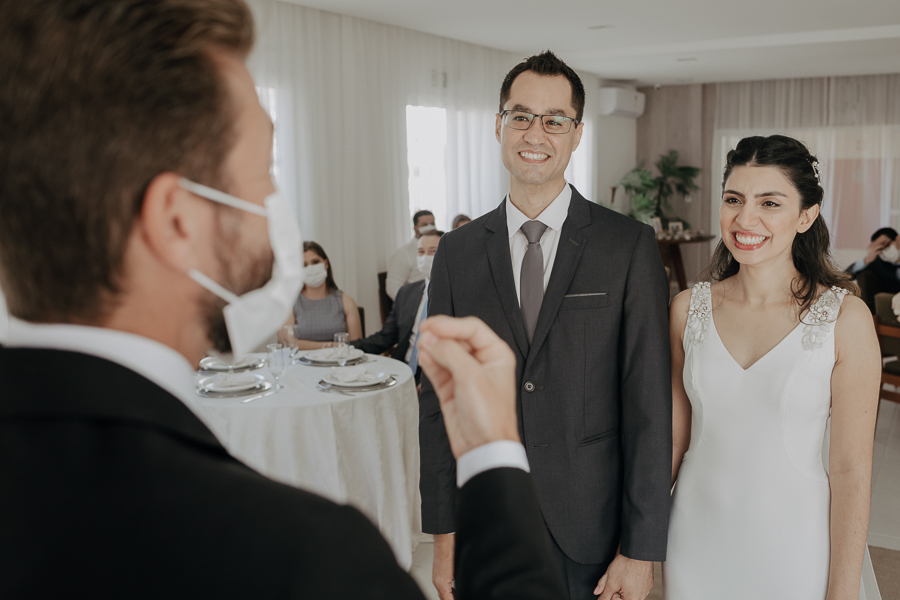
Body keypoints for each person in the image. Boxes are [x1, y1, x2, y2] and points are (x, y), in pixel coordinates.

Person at [0, 2, 569, 598]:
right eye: (262, 170)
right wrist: (492, 453)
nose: (276, 200)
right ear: (176, 221)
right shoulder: (302, 556)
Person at [419, 50, 672, 600]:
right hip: (488, 525)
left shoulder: (627, 246)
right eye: (522, 115)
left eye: (555, 119)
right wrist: (445, 535)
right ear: (498, 125)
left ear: (577, 133)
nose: (537, 132)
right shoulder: (457, 253)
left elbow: (649, 405)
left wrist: (642, 548)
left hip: (594, 531)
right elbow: (440, 402)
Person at [665, 135, 881, 599]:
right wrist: (633, 547)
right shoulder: (687, 310)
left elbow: (850, 471)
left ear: (807, 215)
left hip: (797, 544)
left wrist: (842, 592)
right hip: (694, 539)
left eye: (770, 202)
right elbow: (670, 446)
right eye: (733, 199)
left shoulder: (845, 319)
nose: (746, 219)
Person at [352, 230, 441, 379]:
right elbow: (386, 337)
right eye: (420, 252)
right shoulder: (407, 292)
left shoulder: (458, 295)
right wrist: (347, 347)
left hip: (434, 373)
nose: (425, 257)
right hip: (402, 367)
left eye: (433, 251)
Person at [281, 241, 362, 350]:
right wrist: (331, 346)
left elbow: (355, 344)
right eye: (303, 265)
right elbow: (288, 343)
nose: (310, 268)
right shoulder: (290, 303)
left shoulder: (346, 301)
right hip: (301, 365)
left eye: (315, 262)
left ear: (326, 264)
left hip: (338, 363)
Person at [846, 227, 900, 312]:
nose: (884, 250)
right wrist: (866, 260)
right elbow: (846, 276)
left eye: (886, 244)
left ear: (898, 239)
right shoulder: (879, 263)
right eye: (880, 248)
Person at [386, 210, 435, 299]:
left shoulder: (441, 248)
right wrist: (412, 304)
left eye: (432, 223)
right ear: (415, 228)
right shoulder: (403, 254)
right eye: (425, 225)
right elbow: (392, 287)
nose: (430, 227)